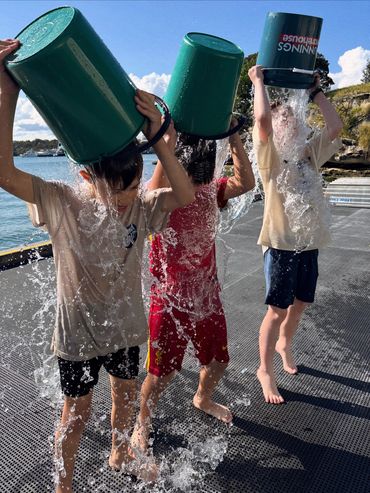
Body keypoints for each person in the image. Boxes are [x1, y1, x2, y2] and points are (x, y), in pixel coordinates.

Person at [0, 39, 194, 491]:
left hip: (125, 328)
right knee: (76, 412)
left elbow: (183, 195)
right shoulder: (61, 202)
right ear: (87, 176)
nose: (129, 199)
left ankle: (120, 451)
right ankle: (63, 484)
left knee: (124, 398)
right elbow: (4, 172)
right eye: (120, 191)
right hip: (77, 334)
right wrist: (6, 90)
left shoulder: (142, 205)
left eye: (134, 187)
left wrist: (161, 138)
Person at [131, 119, 256, 452]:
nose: (198, 178)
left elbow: (246, 182)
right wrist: (164, 141)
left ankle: (202, 397)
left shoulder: (212, 191)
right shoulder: (160, 197)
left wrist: (233, 136)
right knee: (161, 374)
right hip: (168, 299)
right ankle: (142, 423)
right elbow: (158, 180)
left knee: (218, 361)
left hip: (206, 296)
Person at [248, 64, 343, 404]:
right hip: (279, 244)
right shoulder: (270, 158)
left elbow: (335, 127)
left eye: (292, 117)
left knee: (300, 303)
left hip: (308, 243)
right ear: (276, 129)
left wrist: (316, 93)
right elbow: (260, 122)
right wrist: (258, 82)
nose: (291, 121)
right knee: (277, 309)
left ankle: (285, 343)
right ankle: (264, 370)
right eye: (283, 119)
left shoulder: (308, 156)